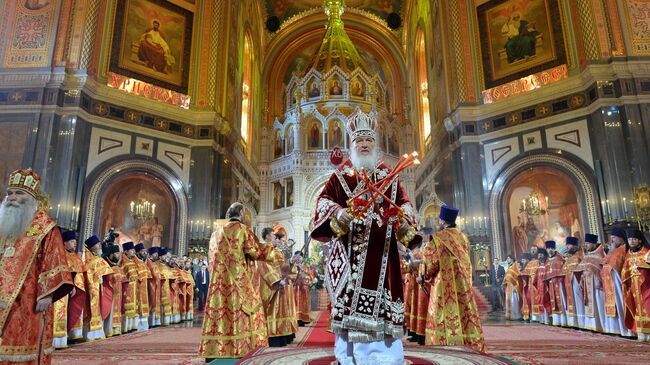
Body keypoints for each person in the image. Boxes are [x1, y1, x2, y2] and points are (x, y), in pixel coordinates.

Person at [311, 107, 420, 364]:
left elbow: (405, 205)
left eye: (368, 140)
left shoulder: (389, 175)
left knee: (382, 310)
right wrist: (338, 213)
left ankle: (385, 359)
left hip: (383, 258)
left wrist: (402, 219)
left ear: (375, 143)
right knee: (350, 308)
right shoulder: (341, 176)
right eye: (359, 140)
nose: (364, 144)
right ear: (352, 144)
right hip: (351, 258)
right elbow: (323, 202)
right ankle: (349, 358)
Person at [0, 169, 73, 364]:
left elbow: (54, 260)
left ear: (32, 197)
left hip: (26, 298)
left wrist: (47, 294)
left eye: (19, 193)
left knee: (19, 343)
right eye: (10, 193)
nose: (13, 198)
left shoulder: (44, 226)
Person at [198, 202, 275, 360]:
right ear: (241, 214)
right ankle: (240, 348)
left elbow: (211, 259)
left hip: (218, 283)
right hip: (238, 281)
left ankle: (215, 350)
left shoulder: (215, 234)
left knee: (220, 314)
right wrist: (272, 250)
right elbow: (255, 252)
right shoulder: (243, 230)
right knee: (244, 312)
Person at [419, 206, 485, 352]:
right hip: (462, 284)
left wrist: (423, 275)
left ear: (442, 221)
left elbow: (430, 263)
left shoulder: (438, 238)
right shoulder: (464, 238)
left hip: (443, 285)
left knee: (441, 313)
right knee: (464, 313)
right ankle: (467, 343)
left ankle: (443, 344)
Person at [52, 229, 87, 348]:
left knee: (68, 312)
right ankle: (55, 339)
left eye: (75, 241)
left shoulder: (75, 257)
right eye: (72, 241)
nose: (75, 243)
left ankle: (65, 337)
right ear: (65, 243)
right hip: (61, 287)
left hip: (73, 289)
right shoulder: (61, 255)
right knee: (58, 312)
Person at [600, 227, 633, 336]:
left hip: (619, 282)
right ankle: (619, 328)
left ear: (621, 238)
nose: (612, 240)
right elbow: (604, 262)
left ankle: (627, 329)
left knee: (622, 304)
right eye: (611, 238)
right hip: (611, 283)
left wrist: (611, 250)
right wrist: (611, 250)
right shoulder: (615, 250)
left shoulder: (624, 248)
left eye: (614, 238)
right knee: (616, 305)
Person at [83, 235, 114, 341]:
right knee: (91, 310)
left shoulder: (97, 258)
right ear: (92, 247)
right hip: (90, 287)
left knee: (97, 309)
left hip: (98, 287)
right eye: (97, 245)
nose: (100, 246)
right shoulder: (87, 259)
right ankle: (89, 334)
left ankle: (97, 333)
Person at [621, 229, 650, 341]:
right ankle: (641, 333)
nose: (631, 241)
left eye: (633, 239)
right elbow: (625, 271)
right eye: (629, 239)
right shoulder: (628, 255)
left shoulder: (647, 252)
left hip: (646, 287)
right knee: (637, 309)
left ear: (639, 240)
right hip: (634, 288)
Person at [575, 233, 605, 332]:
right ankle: (591, 325)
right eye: (585, 243)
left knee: (598, 305)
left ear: (593, 243)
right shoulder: (587, 255)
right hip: (587, 284)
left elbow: (601, 268)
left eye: (588, 243)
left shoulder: (600, 254)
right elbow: (583, 268)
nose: (586, 245)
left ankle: (600, 325)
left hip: (596, 284)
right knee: (589, 304)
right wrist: (582, 279)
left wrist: (598, 278)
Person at [544, 239, 567, 327]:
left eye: (551, 248)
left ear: (554, 249)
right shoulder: (547, 261)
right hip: (550, 285)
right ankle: (556, 320)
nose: (550, 250)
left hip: (559, 284)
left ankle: (564, 320)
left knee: (561, 301)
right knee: (553, 302)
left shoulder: (560, 258)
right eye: (548, 248)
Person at [562, 236, 584, 328]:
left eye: (569, 245)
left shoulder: (580, 256)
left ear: (575, 246)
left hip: (577, 283)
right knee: (573, 303)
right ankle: (575, 322)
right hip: (569, 285)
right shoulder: (568, 259)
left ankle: (582, 322)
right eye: (566, 245)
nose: (567, 247)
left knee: (579, 302)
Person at [146, 246, 162, 327]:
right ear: (152, 254)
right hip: (151, 285)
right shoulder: (148, 262)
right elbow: (153, 274)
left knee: (156, 303)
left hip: (156, 285)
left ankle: (155, 321)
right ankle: (151, 322)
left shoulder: (154, 263)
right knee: (152, 303)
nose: (157, 255)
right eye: (156, 254)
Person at [503, 255, 522, 320]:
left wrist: (516, 286)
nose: (507, 260)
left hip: (514, 286)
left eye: (508, 258)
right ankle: (509, 315)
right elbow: (507, 276)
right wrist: (505, 282)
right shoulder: (509, 267)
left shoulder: (515, 265)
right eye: (507, 259)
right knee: (509, 300)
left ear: (512, 259)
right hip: (508, 286)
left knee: (514, 301)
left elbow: (518, 276)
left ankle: (515, 315)